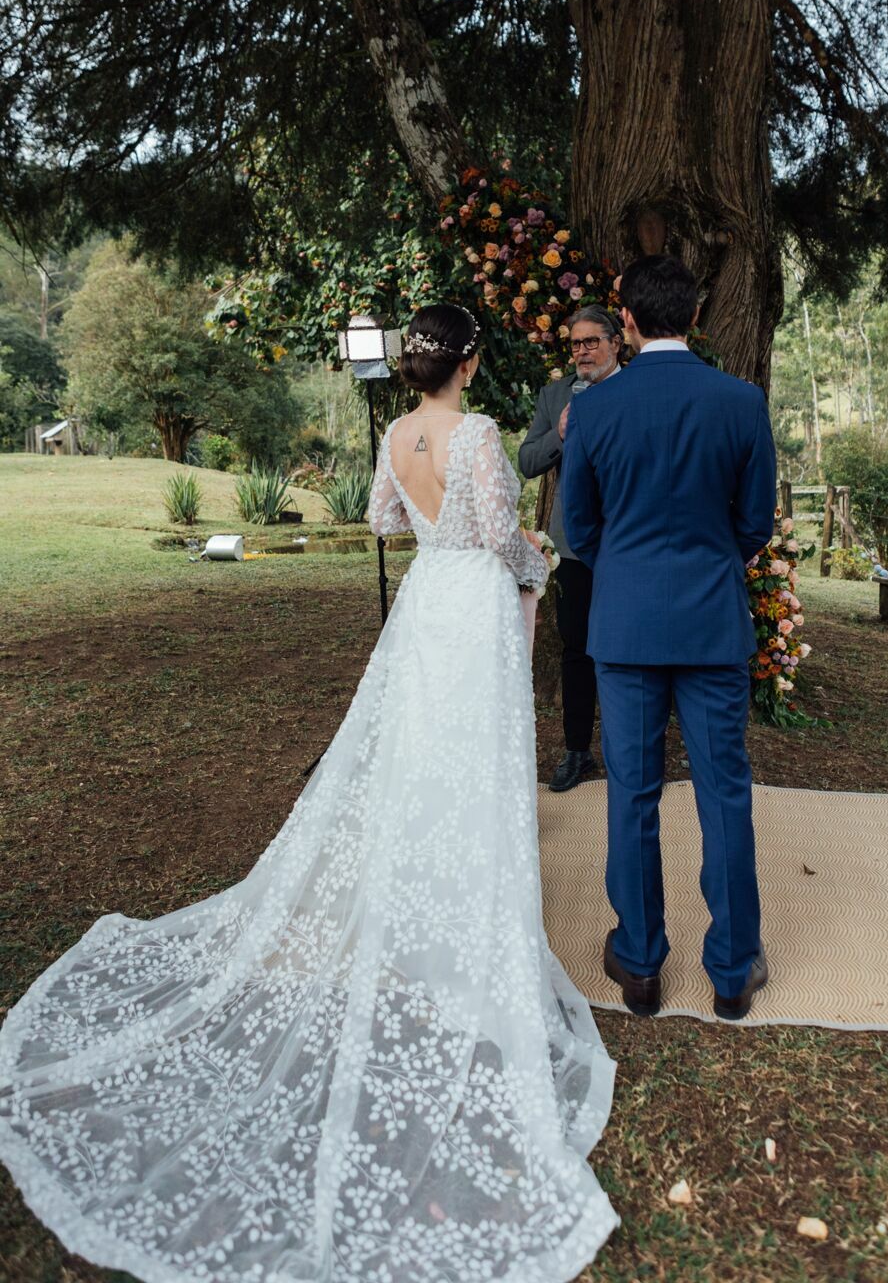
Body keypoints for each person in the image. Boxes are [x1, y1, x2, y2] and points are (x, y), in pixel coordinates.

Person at [0, 303, 618, 1283]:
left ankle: (415, 910)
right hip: (470, 609)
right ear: (464, 362)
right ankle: (460, 917)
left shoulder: (396, 435)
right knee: (464, 764)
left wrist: (435, 531)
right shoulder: (482, 435)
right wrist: (534, 564)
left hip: (423, 604)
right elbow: (503, 535)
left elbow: (380, 519)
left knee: (414, 760)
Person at [561, 257, 777, 1022]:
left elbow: (577, 527)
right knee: (724, 792)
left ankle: (641, 963)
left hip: (623, 623)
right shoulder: (740, 401)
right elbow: (755, 520)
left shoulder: (593, 409)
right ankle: (728, 970)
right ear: (693, 314)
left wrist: (626, 568)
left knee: (633, 792)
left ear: (625, 319)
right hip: (712, 620)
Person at [518, 306, 624, 792]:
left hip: (630, 542)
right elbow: (527, 461)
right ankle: (577, 751)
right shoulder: (555, 395)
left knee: (630, 651)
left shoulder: (636, 386)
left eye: (591, 342)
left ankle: (630, 754)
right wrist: (559, 435)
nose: (581, 351)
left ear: (615, 343)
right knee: (578, 648)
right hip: (576, 544)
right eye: (576, 343)